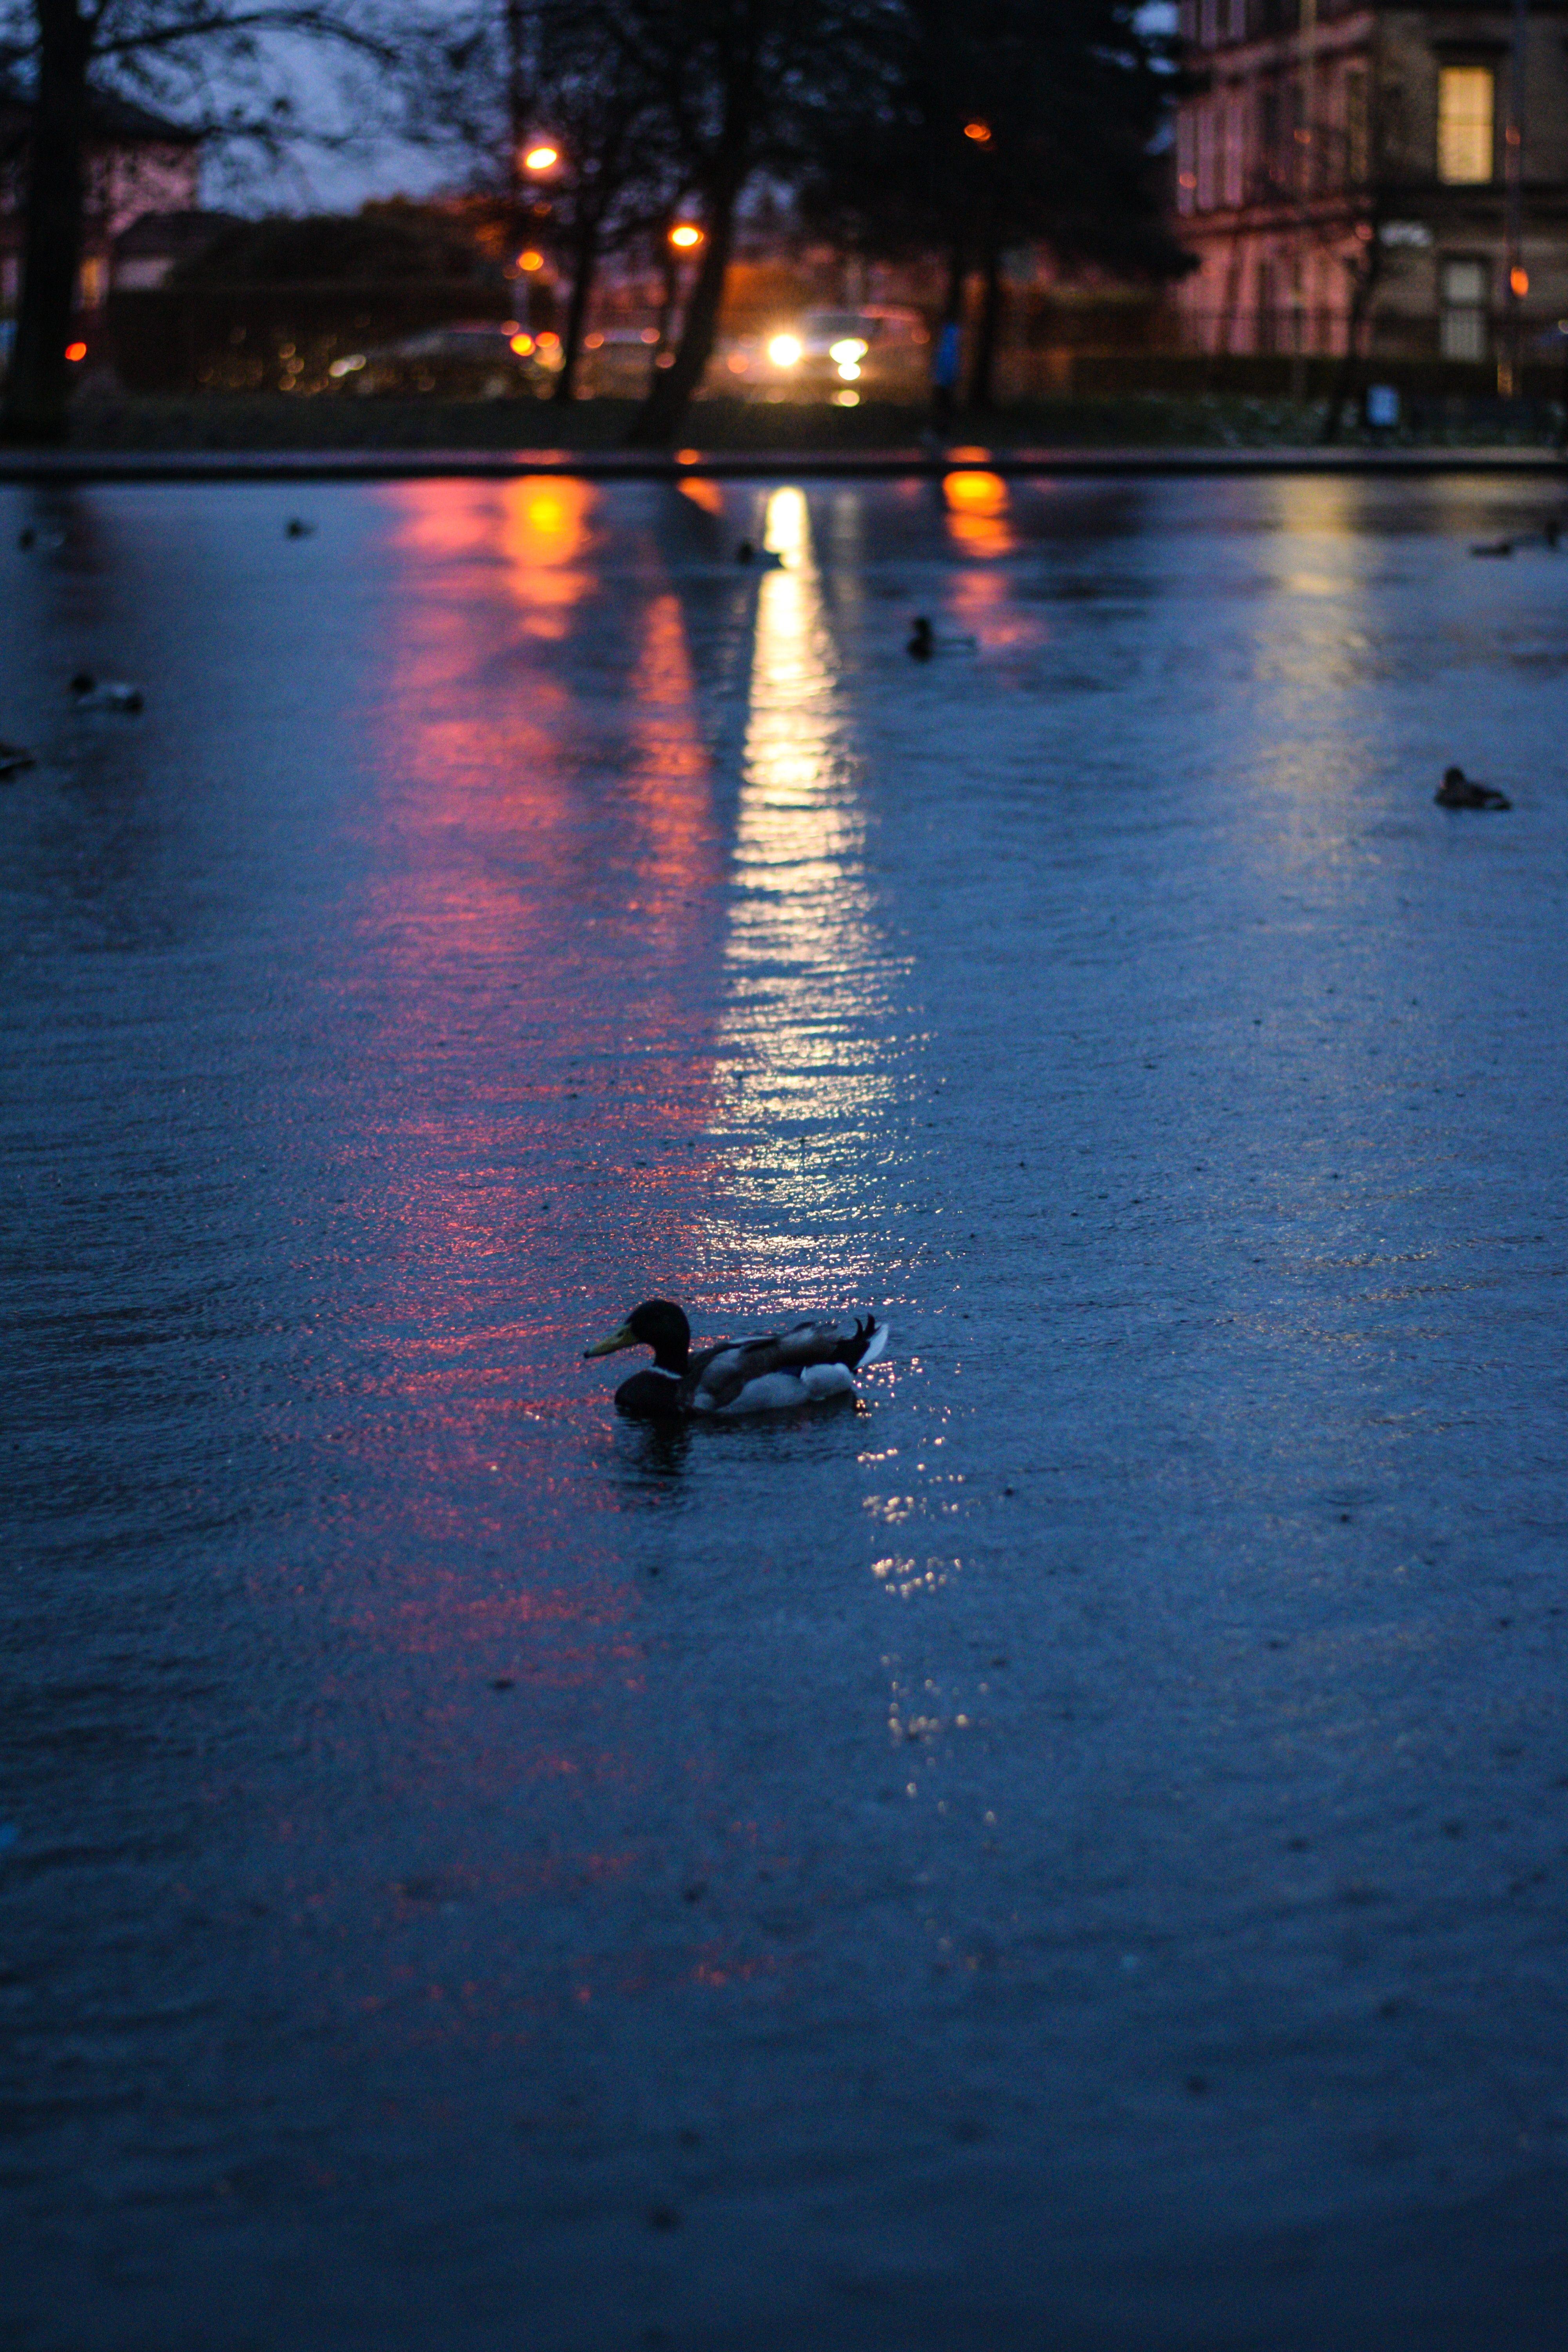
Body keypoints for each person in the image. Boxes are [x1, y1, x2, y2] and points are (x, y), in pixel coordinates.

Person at [931, 318, 962, 432]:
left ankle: (942, 430)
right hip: (945, 377)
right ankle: (943, 429)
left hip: (944, 378)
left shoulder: (946, 346)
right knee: (944, 405)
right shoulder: (951, 346)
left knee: (943, 405)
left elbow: (943, 362)